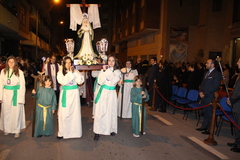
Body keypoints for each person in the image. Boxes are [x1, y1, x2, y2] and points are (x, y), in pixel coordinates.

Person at [93, 54, 121, 140]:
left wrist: (107, 73)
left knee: (111, 110)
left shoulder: (117, 72)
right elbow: (100, 82)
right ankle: (97, 131)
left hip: (112, 92)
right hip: (103, 92)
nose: (111, 62)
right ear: (107, 61)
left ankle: (111, 128)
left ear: (115, 62)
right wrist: (105, 73)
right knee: (100, 111)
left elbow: (113, 82)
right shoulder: (103, 71)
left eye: (113, 60)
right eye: (109, 60)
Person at [57, 56, 84, 139]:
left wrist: (74, 72)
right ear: (64, 63)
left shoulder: (75, 71)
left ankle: (75, 132)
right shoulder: (60, 72)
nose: (68, 64)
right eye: (66, 62)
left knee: (74, 113)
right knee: (64, 114)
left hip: (74, 95)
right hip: (65, 94)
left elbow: (81, 81)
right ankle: (62, 132)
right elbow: (63, 81)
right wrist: (70, 73)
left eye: (70, 62)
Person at [0, 56, 26, 138]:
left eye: (12, 62)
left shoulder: (19, 72)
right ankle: (6, 129)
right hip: (6, 94)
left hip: (16, 94)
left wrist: (21, 98)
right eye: (9, 62)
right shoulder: (3, 71)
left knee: (16, 113)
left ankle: (16, 130)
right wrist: (0, 97)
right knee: (6, 112)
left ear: (15, 63)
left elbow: (22, 86)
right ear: (7, 63)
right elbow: (1, 85)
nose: (11, 63)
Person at [196, 59, 222, 134]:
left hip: (210, 96)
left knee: (210, 113)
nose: (206, 64)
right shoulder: (206, 73)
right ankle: (204, 126)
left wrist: (204, 93)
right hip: (203, 96)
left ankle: (209, 130)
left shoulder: (216, 74)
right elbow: (202, 83)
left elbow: (215, 87)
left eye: (207, 63)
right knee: (205, 112)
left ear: (212, 64)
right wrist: (200, 91)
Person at [226, 58, 240, 153]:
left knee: (239, 125)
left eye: (239, 61)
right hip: (236, 104)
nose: (237, 63)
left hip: (238, 104)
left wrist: (231, 100)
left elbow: (238, 93)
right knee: (237, 125)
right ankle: (237, 142)